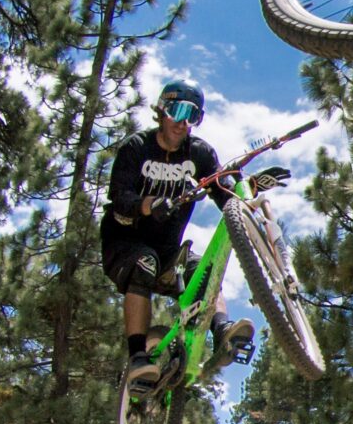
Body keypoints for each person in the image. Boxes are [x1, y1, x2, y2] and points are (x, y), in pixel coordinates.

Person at [103, 79, 254, 389]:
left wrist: (248, 192)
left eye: (193, 115)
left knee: (204, 270)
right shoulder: (136, 148)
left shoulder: (198, 154)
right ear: (161, 111)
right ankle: (137, 359)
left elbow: (223, 190)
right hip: (124, 244)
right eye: (177, 110)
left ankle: (222, 329)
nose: (183, 122)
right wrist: (149, 205)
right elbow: (119, 197)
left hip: (168, 250)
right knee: (144, 264)